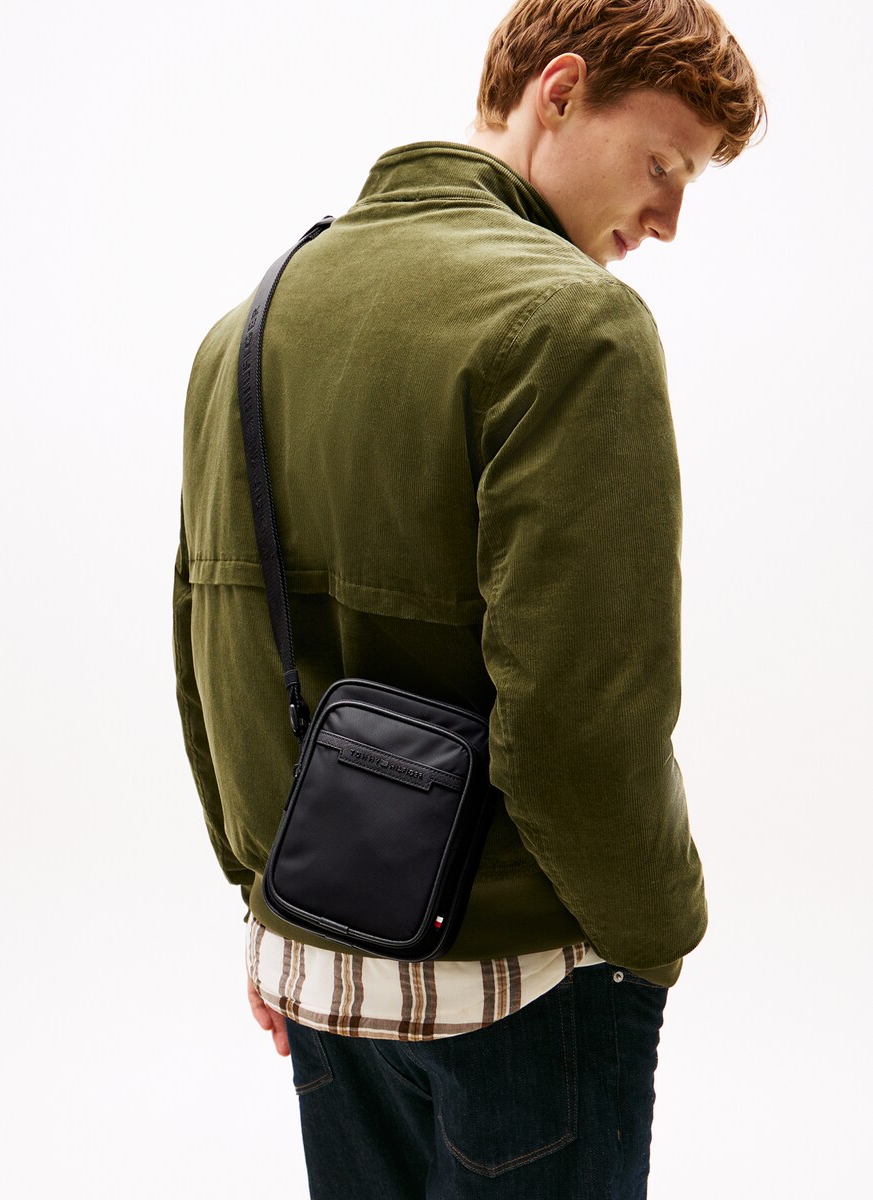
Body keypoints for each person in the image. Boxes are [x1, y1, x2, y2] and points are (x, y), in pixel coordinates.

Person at [173, 1, 766, 1194]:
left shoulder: (244, 328)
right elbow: (582, 719)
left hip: (317, 961)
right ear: (561, 90)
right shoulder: (574, 325)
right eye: (663, 164)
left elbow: (208, 654)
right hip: (521, 980)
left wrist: (266, 902)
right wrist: (657, 936)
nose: (668, 220)